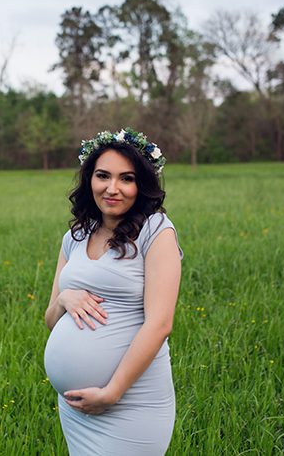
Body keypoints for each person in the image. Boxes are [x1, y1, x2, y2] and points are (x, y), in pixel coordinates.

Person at [44, 128, 183, 455]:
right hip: (77, 408)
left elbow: (160, 324)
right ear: (89, 179)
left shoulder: (156, 231)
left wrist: (113, 392)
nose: (112, 188)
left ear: (142, 185)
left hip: (131, 399)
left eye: (126, 178)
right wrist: (65, 297)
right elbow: (51, 319)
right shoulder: (75, 237)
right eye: (103, 176)